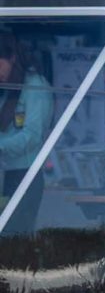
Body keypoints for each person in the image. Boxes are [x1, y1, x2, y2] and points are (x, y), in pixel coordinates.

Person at [0, 30, 53, 235]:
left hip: (25, 174)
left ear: (12, 57)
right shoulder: (9, 88)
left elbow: (31, 136)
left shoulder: (35, 88)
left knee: (15, 236)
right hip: (7, 172)